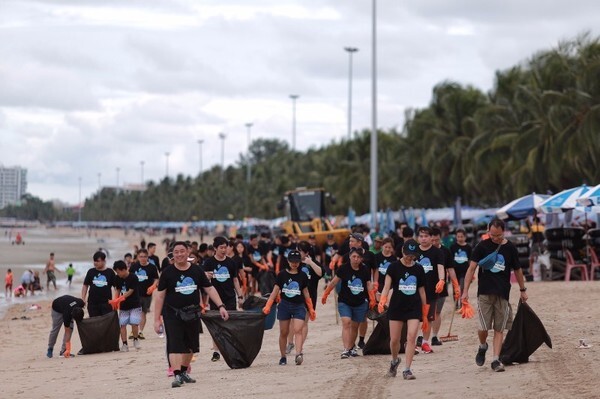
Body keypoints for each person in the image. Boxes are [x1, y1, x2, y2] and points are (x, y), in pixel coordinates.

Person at [153, 241, 229, 389]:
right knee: (175, 345)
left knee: (191, 347)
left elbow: (210, 289)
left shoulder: (197, 270)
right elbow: (160, 296)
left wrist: (221, 306)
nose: (179, 254)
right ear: (172, 255)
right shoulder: (167, 273)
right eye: (176, 252)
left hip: (193, 313)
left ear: (188, 252)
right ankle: (176, 375)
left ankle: (182, 372)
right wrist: (156, 319)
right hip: (172, 313)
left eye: (182, 251)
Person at [461, 218, 529, 372]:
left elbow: (518, 270)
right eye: (492, 235)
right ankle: (482, 345)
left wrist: (523, 290)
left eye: (498, 235)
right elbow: (471, 269)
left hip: (503, 293)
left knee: (500, 328)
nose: (495, 238)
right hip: (484, 292)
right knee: (483, 328)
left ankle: (495, 360)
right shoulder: (481, 246)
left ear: (503, 232)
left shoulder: (510, 248)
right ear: (488, 231)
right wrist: (465, 291)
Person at [378, 239, 427, 379]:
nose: (409, 258)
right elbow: (387, 286)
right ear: (402, 252)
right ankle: (394, 361)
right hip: (397, 306)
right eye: (407, 255)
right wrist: (383, 300)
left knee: (411, 337)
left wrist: (425, 311)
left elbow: (422, 291)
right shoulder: (393, 267)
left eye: (412, 256)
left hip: (414, 307)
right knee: (394, 340)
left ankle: (407, 369)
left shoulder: (418, 269)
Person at [262, 250, 316, 366]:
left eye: (297, 261)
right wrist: (268, 305)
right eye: (292, 261)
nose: (294, 264)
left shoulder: (302, 275)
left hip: (299, 306)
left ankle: (298, 354)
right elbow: (275, 291)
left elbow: (306, 292)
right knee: (284, 332)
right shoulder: (282, 274)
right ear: (288, 261)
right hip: (284, 305)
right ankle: (283, 356)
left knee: (298, 330)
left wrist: (310, 308)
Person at [322, 247, 376, 359]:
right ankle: (346, 349)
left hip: (360, 302)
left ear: (361, 259)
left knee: (355, 326)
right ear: (350, 257)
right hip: (345, 301)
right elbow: (333, 282)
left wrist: (372, 298)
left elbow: (368, 284)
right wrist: (326, 293)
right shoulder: (343, 268)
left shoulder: (365, 269)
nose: (356, 259)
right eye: (354, 256)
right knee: (346, 322)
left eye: (358, 257)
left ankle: (351, 347)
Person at [202, 236, 244, 362]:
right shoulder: (209, 263)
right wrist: (206, 277)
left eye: (225, 247)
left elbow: (235, 280)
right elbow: (204, 283)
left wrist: (240, 296)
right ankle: (216, 351)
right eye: (221, 248)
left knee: (230, 324)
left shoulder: (231, 262)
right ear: (215, 248)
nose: (224, 250)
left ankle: (231, 348)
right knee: (217, 325)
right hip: (215, 299)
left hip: (230, 297)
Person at [285, 241, 322, 355]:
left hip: (309, 297)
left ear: (306, 252)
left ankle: (299, 346)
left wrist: (310, 263)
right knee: (292, 321)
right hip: (294, 295)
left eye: (299, 250)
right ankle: (290, 343)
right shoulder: (294, 262)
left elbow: (320, 273)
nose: (297, 252)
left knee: (304, 322)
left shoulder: (313, 262)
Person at [414, 226, 446, 353]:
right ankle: (413, 342)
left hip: (431, 290)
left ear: (431, 238)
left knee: (428, 317)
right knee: (414, 318)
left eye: (426, 236)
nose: (423, 239)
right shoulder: (414, 251)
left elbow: (440, 268)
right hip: (414, 290)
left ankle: (425, 343)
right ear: (418, 237)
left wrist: (442, 280)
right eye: (421, 236)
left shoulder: (437, 252)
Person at [430, 227, 461, 346]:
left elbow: (451, 269)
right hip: (426, 285)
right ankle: (423, 336)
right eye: (432, 240)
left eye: (437, 240)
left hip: (441, 286)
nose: (434, 243)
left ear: (440, 238)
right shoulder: (423, 251)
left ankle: (434, 336)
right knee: (426, 312)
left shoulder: (446, 251)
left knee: (437, 312)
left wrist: (456, 285)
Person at [112, 260, 142, 352]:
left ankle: (136, 339)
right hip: (124, 306)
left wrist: (119, 299)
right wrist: (115, 300)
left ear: (123, 269)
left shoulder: (133, 277)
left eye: (118, 271)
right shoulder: (117, 278)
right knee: (122, 324)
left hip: (135, 304)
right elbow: (117, 289)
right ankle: (125, 344)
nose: (117, 274)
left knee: (134, 323)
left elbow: (130, 291)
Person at [129, 248, 159, 340]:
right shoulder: (134, 266)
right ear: (138, 257)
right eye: (141, 257)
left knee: (143, 313)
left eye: (145, 257)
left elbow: (156, 279)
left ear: (147, 257)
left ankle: (140, 332)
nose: (143, 258)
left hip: (147, 294)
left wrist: (153, 286)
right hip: (135, 294)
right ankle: (133, 330)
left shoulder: (152, 267)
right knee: (134, 313)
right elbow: (128, 277)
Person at [82, 251, 116, 317]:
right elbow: (85, 285)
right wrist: (83, 298)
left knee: (106, 323)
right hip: (92, 303)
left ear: (104, 261)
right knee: (94, 323)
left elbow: (116, 287)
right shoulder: (91, 271)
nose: (95, 263)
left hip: (106, 303)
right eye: (94, 261)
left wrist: (115, 300)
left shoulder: (110, 272)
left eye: (98, 261)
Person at [450, 229, 472, 308]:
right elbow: (450, 259)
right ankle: (456, 305)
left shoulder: (468, 247)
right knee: (455, 288)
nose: (460, 238)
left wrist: (471, 272)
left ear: (465, 237)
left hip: (464, 271)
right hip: (455, 272)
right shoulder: (453, 247)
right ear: (456, 237)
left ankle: (463, 304)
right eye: (458, 236)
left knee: (462, 287)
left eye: (462, 236)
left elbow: (470, 260)